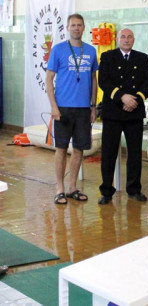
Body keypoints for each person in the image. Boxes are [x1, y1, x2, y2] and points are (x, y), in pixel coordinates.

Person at [46, 14, 98, 205]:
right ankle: (59, 188)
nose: (76, 28)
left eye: (79, 25)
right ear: (68, 28)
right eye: (73, 25)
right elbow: (49, 79)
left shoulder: (91, 51)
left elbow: (94, 79)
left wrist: (93, 105)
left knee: (78, 149)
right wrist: (54, 107)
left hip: (83, 108)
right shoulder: (58, 50)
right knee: (60, 148)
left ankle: (72, 187)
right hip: (63, 108)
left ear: (84, 27)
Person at [97, 28, 148, 205]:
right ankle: (106, 191)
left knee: (135, 153)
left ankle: (134, 189)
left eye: (130, 37)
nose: (126, 40)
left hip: (134, 111)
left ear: (134, 40)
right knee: (109, 152)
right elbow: (103, 81)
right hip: (113, 111)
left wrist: (135, 100)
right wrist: (122, 97)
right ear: (117, 39)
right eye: (123, 37)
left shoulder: (142, 57)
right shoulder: (107, 57)